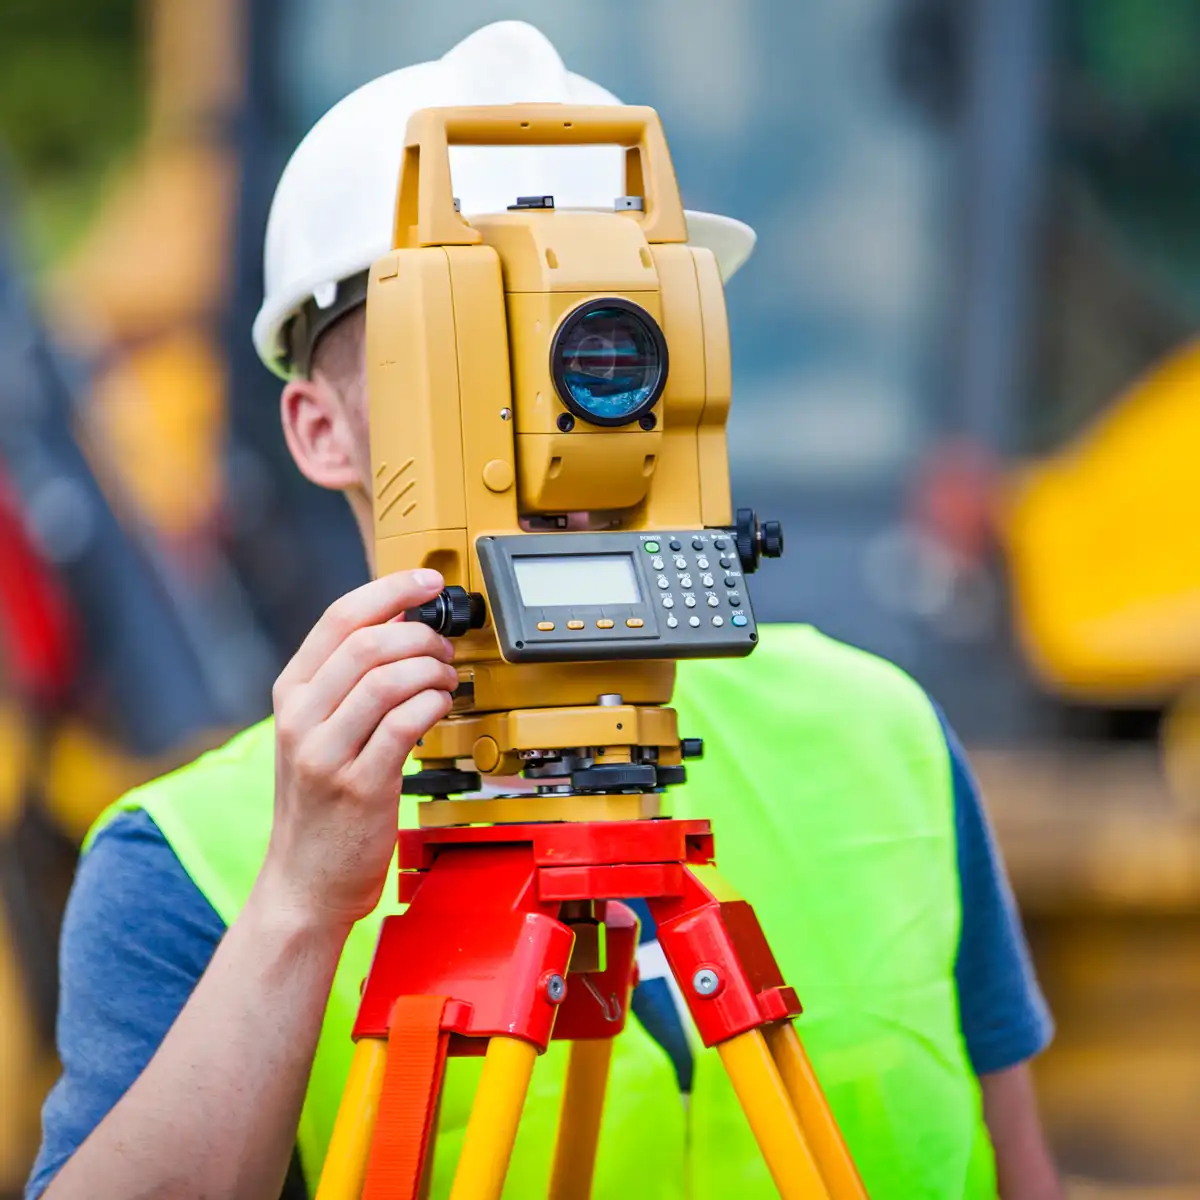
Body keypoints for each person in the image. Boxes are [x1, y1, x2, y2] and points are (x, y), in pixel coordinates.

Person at [27, 20, 1063, 1200]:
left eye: (615, 330)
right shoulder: (194, 863)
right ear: (320, 428)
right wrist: (302, 908)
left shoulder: (885, 742)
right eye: (476, 342)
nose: (566, 404)